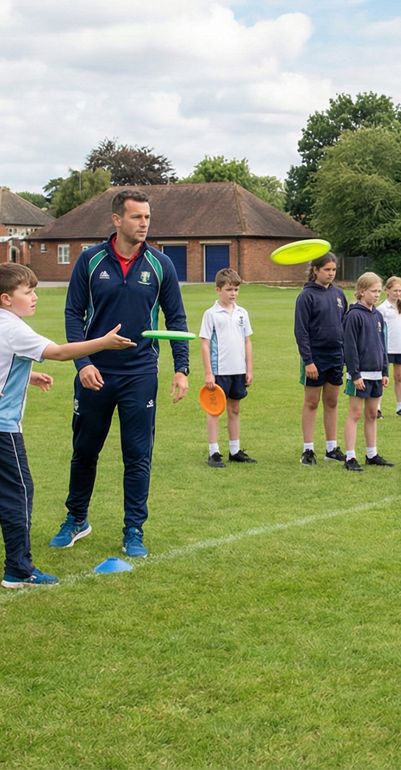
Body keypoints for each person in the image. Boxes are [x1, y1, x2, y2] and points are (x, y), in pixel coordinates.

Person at [0, 264, 134, 587]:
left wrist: (27, 376)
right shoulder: (15, 329)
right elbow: (60, 353)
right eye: (27, 292)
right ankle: (19, 570)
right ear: (6, 298)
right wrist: (102, 343)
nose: (35, 297)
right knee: (18, 492)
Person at [51, 189, 189, 559]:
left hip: (140, 374)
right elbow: (73, 316)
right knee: (84, 451)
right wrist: (85, 364)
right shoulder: (90, 260)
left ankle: (134, 530)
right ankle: (76, 519)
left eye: (147, 217)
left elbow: (176, 319)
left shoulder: (161, 265)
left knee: (137, 455)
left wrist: (181, 369)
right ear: (116, 219)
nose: (144, 224)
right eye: (136, 217)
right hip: (96, 372)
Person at [294, 252, 348, 465]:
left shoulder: (339, 295)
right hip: (315, 358)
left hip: (336, 356)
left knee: (332, 402)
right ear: (315, 270)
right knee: (311, 402)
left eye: (333, 270)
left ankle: (331, 448)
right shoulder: (306, 296)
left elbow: (345, 326)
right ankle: (308, 450)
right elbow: (301, 331)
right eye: (327, 270)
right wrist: (308, 361)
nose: (331, 274)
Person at [199, 268, 255, 468]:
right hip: (219, 371)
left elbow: (247, 342)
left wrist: (249, 369)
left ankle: (234, 450)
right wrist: (209, 373)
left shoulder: (242, 313)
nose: (233, 293)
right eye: (229, 289)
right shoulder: (211, 314)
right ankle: (214, 452)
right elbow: (205, 344)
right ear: (218, 290)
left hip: (238, 370)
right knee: (215, 411)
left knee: (235, 409)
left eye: (236, 289)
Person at [342, 272, 393, 471]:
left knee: (372, 413)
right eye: (373, 291)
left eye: (379, 291)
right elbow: (350, 347)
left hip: (376, 374)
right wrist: (355, 375)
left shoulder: (378, 315)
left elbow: (382, 345)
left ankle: (371, 454)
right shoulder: (353, 315)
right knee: (355, 413)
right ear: (361, 291)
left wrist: (385, 371)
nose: (377, 295)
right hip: (360, 375)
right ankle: (350, 457)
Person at [377, 276, 401, 417]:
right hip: (386, 347)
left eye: (400, 290)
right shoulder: (382, 309)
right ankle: (377, 407)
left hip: (399, 347)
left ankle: (400, 407)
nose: (397, 293)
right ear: (387, 290)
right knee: (382, 378)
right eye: (395, 290)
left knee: (399, 377)